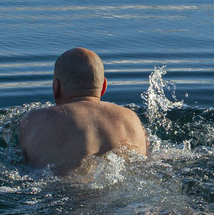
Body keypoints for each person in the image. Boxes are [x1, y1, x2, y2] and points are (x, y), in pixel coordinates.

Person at [19, 48, 150, 174]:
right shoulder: (131, 118)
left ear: (56, 87)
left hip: (57, 192)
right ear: (103, 87)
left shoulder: (35, 120)